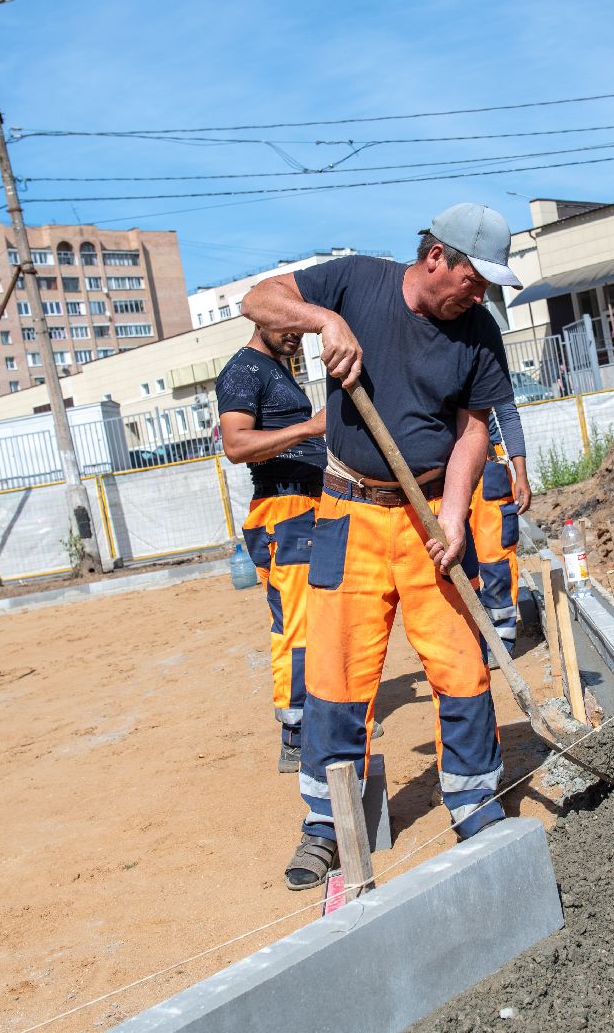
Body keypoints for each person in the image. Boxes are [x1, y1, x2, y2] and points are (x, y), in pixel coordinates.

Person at [241, 202, 521, 890]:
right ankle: (326, 828)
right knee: (335, 678)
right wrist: (325, 322)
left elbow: (473, 428)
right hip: (348, 513)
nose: (479, 294)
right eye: (473, 279)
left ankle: (473, 801)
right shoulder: (355, 282)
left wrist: (454, 515)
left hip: (427, 515)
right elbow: (259, 298)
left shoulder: (479, 332)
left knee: (462, 666)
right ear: (437, 259)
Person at [215, 326, 326, 773]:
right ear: (263, 319)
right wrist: (312, 427)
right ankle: (296, 736)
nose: (298, 336)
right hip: (285, 510)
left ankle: (320, 718)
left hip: (306, 507)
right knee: (297, 625)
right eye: (291, 327)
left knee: (321, 619)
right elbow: (236, 444)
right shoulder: (243, 371)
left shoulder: (276, 368)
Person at [463, 401, 531, 662]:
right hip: (439, 470)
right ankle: (470, 638)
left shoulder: (484, 360)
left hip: (487, 464)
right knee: (452, 560)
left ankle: (500, 641)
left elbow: (506, 411)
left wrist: (520, 472)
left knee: (496, 560)